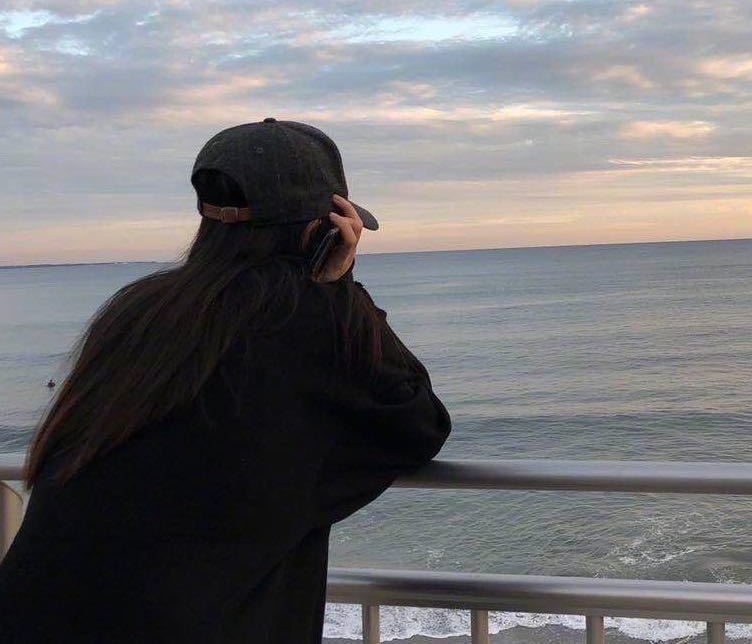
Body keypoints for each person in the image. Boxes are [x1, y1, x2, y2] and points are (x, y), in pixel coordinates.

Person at [0, 118, 452, 643]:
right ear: (324, 230)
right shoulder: (308, 319)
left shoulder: (137, 311)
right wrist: (339, 287)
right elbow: (420, 423)